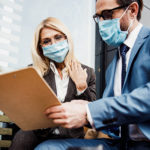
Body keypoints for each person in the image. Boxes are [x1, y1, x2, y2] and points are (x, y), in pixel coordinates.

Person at [34, 0, 150, 150]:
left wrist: (89, 110)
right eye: (98, 17)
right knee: (48, 148)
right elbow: (109, 118)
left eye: (107, 14)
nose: (101, 22)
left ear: (133, 10)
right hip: (119, 143)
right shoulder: (113, 66)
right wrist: (83, 110)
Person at [8, 17, 96, 150]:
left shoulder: (88, 72)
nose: (53, 44)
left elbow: (92, 116)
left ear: (67, 38)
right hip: (39, 133)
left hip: (70, 137)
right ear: (40, 47)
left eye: (58, 37)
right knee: (22, 137)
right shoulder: (33, 72)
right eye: (47, 41)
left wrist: (82, 88)